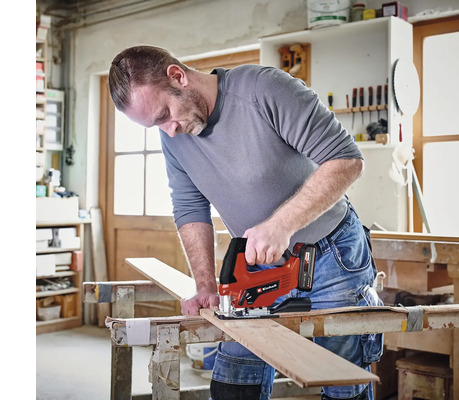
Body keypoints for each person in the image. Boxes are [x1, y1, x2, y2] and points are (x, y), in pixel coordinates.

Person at [108, 45, 383, 400]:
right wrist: (205, 285)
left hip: (332, 256)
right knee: (234, 385)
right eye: (156, 124)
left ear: (178, 76)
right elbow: (190, 207)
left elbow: (346, 160)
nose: (169, 130)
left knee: (342, 385)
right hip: (256, 268)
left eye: (164, 114)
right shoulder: (172, 135)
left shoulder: (264, 89)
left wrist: (281, 225)